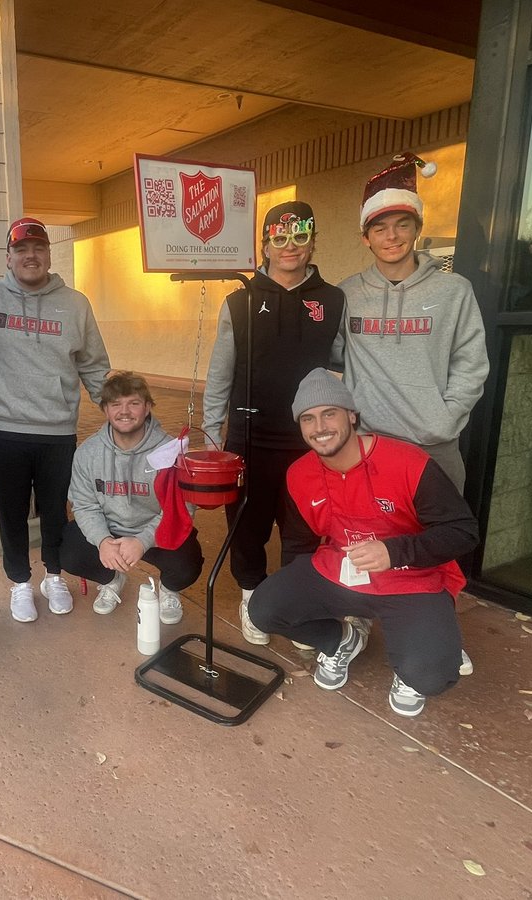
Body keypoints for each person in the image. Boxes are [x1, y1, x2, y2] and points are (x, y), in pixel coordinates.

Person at [247, 369, 479, 717]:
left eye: (330, 413)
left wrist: (394, 551)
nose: (320, 427)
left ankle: (419, 658)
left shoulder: (408, 463)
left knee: (432, 676)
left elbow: (463, 531)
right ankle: (342, 640)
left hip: (412, 580)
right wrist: (295, 596)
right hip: (341, 572)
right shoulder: (299, 473)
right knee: (264, 609)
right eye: (308, 418)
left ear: (351, 415)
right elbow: (298, 542)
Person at [336, 152, 489, 675]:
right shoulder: (348, 295)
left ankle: (439, 632)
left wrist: (443, 421)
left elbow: (472, 363)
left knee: (440, 545)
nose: (392, 236)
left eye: (403, 225)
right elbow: (327, 352)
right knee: (362, 538)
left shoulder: (452, 291)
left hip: (432, 445)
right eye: (381, 227)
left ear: (417, 230)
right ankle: (355, 623)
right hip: (371, 449)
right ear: (366, 235)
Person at [203, 200, 345, 648]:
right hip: (249, 437)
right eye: (279, 237)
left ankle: (295, 603)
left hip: (310, 441)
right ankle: (251, 595)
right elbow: (219, 372)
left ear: (312, 241)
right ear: (264, 242)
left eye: (300, 236)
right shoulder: (239, 300)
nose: (289, 246)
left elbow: (348, 364)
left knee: (304, 527)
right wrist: (211, 439)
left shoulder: (334, 299)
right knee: (247, 526)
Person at [0, 217, 110, 623]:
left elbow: (95, 366)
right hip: (1, 429)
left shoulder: (75, 303)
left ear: (49, 254)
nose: (30, 255)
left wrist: (121, 417)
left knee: (55, 510)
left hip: (56, 429)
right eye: (21, 249)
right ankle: (20, 582)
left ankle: (54, 575)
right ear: (8, 257)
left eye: (38, 248)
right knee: (11, 512)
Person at [61, 372, 203, 623]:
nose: (124, 411)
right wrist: (103, 541)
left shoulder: (170, 451)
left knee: (187, 563)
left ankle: (170, 589)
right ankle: (112, 579)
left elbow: (180, 508)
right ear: (105, 410)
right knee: (69, 551)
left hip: (155, 533)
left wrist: (142, 540)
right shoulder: (88, 453)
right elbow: (84, 505)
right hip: (111, 532)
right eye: (116, 404)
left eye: (134, 403)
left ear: (147, 407)